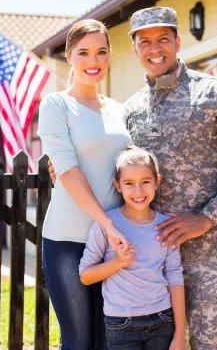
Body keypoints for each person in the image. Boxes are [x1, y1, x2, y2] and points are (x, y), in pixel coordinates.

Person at [49, 6, 217, 350]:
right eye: (144, 42)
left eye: (163, 39)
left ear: (177, 41)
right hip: (147, 265)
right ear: (134, 49)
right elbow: (114, 162)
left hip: (212, 260)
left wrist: (206, 217)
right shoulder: (128, 111)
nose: (154, 49)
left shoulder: (215, 96)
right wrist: (62, 165)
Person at [37, 19, 132, 349]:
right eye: (84, 53)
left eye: (101, 52)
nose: (94, 61)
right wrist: (108, 223)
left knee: (109, 339)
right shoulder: (56, 105)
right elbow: (67, 170)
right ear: (69, 56)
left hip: (113, 243)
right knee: (78, 341)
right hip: (67, 240)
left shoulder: (120, 111)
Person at [79, 146, 185, 350]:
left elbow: (174, 276)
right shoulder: (107, 225)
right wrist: (117, 262)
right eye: (129, 183)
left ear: (157, 182)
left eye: (145, 182)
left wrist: (179, 334)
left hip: (163, 320)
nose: (138, 191)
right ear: (117, 185)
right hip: (121, 324)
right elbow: (85, 275)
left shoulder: (165, 226)